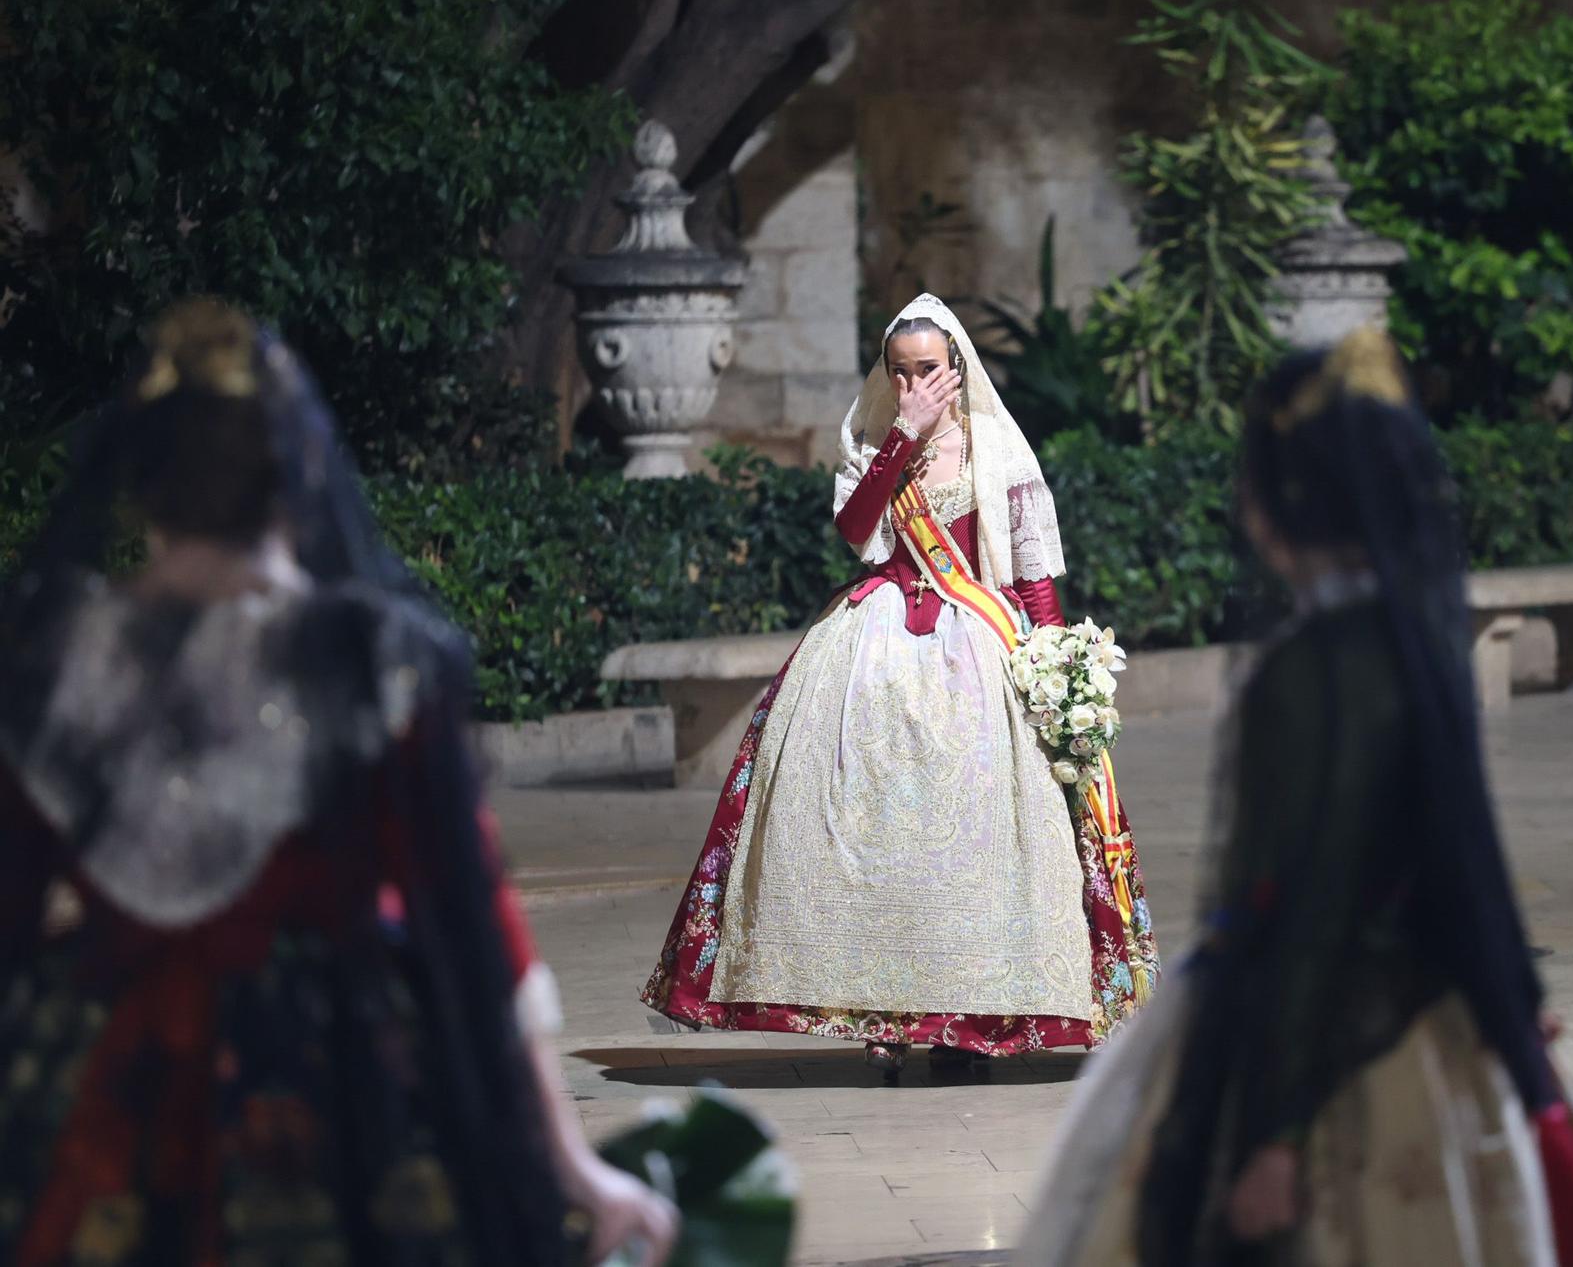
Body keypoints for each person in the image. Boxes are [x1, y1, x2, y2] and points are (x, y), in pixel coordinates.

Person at [0, 302, 677, 1266]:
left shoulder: (55, 659)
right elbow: (477, 930)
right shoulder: (362, 659)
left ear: (139, 482)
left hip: (110, 1070)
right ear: (296, 480)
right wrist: (568, 1163)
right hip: (331, 1080)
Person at [1019, 332, 1573, 1267]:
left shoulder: (1310, 669)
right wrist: (1514, 1001)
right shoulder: (1417, 639)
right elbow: (1467, 850)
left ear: (1283, 499)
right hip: (1446, 1021)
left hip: (1320, 1039)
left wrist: (1273, 1129)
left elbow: (1304, 899)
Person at [641, 293, 1157, 1077]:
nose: (917, 382)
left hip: (980, 646)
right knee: (866, 830)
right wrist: (901, 440)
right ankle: (878, 1008)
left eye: (931, 369)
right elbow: (857, 532)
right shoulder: (870, 443)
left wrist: (1056, 663)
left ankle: (975, 1016)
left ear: (957, 368)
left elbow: (1033, 568)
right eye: (902, 370)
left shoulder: (996, 448)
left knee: (985, 837)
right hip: (875, 641)